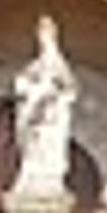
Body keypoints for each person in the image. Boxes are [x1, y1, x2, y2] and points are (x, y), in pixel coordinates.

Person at [11, 16, 78, 195]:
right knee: (32, 149)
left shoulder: (58, 63)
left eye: (46, 34)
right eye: (41, 34)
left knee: (49, 149)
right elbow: (21, 85)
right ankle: (31, 175)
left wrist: (51, 94)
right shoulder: (35, 65)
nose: (43, 38)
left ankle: (49, 179)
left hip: (51, 119)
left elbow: (70, 88)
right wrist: (30, 91)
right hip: (34, 118)